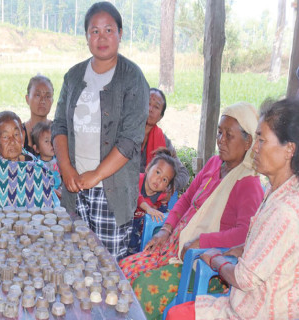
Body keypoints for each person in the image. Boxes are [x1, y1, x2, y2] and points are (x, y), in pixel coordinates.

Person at [119, 102, 264, 320]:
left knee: (143, 288)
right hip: (174, 244)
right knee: (123, 268)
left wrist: (201, 241)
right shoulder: (215, 163)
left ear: (248, 142)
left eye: (229, 135)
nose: (220, 140)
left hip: (200, 262)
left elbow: (245, 234)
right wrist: (165, 229)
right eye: (219, 132)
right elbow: (186, 199)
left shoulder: (248, 183)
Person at [167, 99, 299, 320]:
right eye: (255, 137)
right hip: (243, 301)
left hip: (259, 311)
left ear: (289, 150)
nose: (254, 148)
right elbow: (262, 242)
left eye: (262, 140)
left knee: (176, 314)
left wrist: (216, 259)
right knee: (175, 312)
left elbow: (245, 279)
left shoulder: (284, 209)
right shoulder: (278, 191)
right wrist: (237, 249)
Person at [52, 1, 149, 259]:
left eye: (109, 30)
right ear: (86, 37)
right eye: (94, 31)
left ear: (120, 34)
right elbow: (59, 125)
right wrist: (66, 169)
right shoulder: (73, 77)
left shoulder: (132, 78)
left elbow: (130, 140)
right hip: (74, 188)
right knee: (73, 262)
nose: (102, 37)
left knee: (108, 270)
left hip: (112, 192)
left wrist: (96, 175)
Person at [0, 111, 59, 208]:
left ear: (23, 135)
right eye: (5, 137)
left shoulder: (35, 166)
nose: (12, 141)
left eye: (16, 134)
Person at [127, 148, 178, 256]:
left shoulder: (162, 197)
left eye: (165, 179)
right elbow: (135, 195)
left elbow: (161, 219)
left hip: (140, 233)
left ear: (166, 186)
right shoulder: (136, 179)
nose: (159, 180)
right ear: (148, 168)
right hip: (125, 224)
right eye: (158, 172)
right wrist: (148, 209)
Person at [142, 88, 189, 192]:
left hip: (150, 201)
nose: (150, 109)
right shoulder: (125, 133)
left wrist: (168, 189)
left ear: (160, 117)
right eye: (147, 103)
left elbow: (183, 173)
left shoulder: (164, 142)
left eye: (156, 107)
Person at [22, 74, 55, 155]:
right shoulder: (18, 132)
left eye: (47, 96)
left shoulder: (58, 130)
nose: (43, 100)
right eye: (37, 95)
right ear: (27, 99)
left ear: (52, 101)